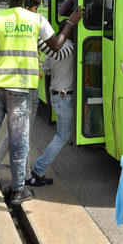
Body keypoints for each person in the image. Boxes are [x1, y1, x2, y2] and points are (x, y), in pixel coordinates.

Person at [0, 0, 82, 212]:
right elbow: (56, 46)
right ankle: (17, 191)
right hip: (22, 88)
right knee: (20, 141)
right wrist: (70, 23)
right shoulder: (37, 19)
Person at [0, 0, 72, 179]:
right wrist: (70, 25)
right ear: (26, 8)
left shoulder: (7, 24)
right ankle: (23, 177)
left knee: (15, 132)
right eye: (35, 9)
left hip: (7, 83)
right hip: (25, 86)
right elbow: (57, 53)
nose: (36, 13)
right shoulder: (30, 27)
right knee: (21, 133)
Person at [26, 19, 75, 186]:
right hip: (65, 96)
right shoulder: (72, 48)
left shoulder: (56, 50)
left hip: (56, 95)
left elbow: (46, 69)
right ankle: (38, 169)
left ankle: (38, 168)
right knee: (62, 136)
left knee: (63, 134)